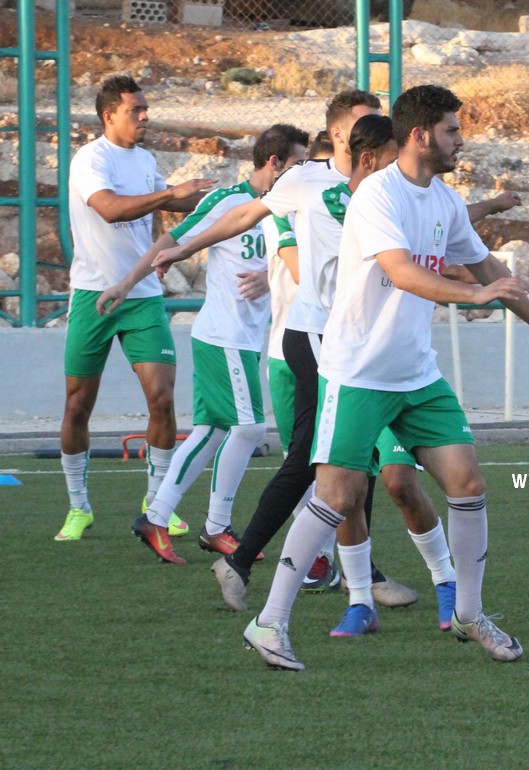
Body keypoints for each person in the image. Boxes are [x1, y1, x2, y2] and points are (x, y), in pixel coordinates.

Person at [240, 84, 529, 670]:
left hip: (416, 373)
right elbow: (403, 272)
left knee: (468, 483)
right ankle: (269, 622)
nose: (462, 141)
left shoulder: (445, 200)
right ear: (421, 135)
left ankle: (469, 613)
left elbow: (484, 264)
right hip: (358, 370)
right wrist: (475, 294)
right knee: (338, 495)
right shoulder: (377, 195)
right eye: (453, 130)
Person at [152, 92, 418, 608]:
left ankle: (347, 574)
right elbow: (245, 215)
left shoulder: (387, 185)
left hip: (359, 338)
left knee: (352, 460)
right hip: (316, 335)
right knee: (316, 459)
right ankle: (265, 564)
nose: (378, 133)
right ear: (340, 134)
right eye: (366, 124)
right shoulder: (306, 179)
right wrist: (183, 249)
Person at [96, 124, 308, 563]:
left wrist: (268, 278)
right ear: (274, 163)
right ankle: (216, 526)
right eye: (298, 163)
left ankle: (157, 515)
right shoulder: (227, 201)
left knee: (212, 430)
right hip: (223, 335)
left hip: (247, 337)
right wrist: (126, 283)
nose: (304, 172)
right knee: (249, 429)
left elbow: (296, 266)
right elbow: (171, 241)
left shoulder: (293, 207)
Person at [56, 75, 216, 543]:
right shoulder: (90, 159)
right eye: (135, 110)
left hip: (142, 295)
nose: (145, 116)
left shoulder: (144, 159)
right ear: (109, 116)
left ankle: (156, 504)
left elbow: (176, 204)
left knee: (162, 399)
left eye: (145, 108)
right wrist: (170, 193)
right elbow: (111, 209)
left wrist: (235, 196)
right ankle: (78, 507)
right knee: (77, 405)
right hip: (94, 296)